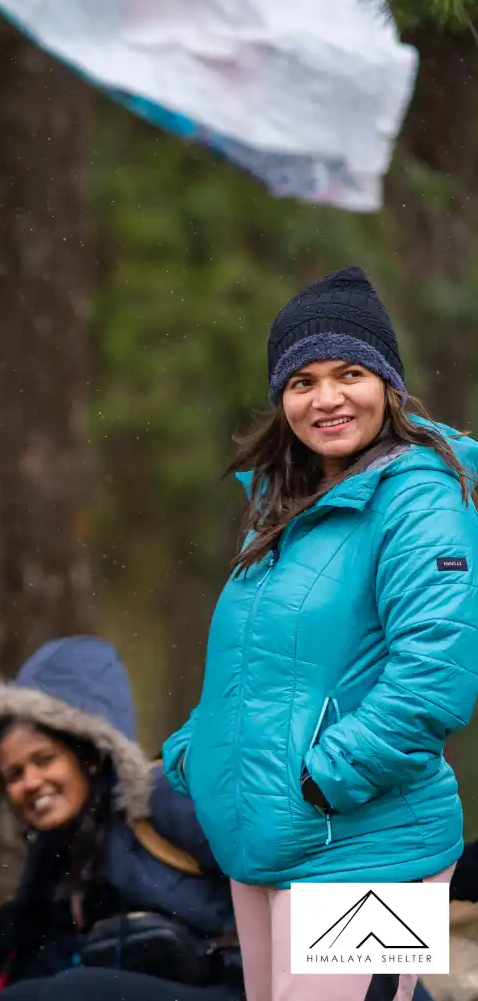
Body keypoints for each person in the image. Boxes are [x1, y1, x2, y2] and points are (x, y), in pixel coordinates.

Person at [163, 267, 478, 1001]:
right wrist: (200, 752)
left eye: (350, 372)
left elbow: (436, 673)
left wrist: (324, 779)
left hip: (368, 845)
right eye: (302, 380)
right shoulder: (283, 507)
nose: (326, 397)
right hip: (266, 844)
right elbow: (261, 665)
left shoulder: (422, 499)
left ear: (389, 385)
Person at [0, 636, 244, 1001]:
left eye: (44, 760)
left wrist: (327, 973)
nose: (31, 783)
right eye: (14, 775)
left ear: (88, 755)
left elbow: (296, 865)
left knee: (74, 992)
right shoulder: (57, 858)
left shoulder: (163, 797)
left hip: (252, 985)